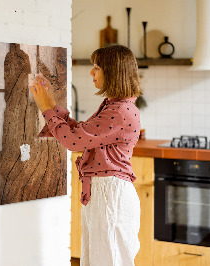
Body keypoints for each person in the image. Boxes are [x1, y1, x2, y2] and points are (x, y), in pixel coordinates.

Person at [29, 44, 142, 266]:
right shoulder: (115, 106)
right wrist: (51, 103)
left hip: (110, 195)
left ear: (113, 71)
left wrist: (45, 108)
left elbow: (73, 141)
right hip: (104, 193)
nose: (91, 72)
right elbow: (81, 133)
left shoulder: (119, 111)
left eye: (97, 67)